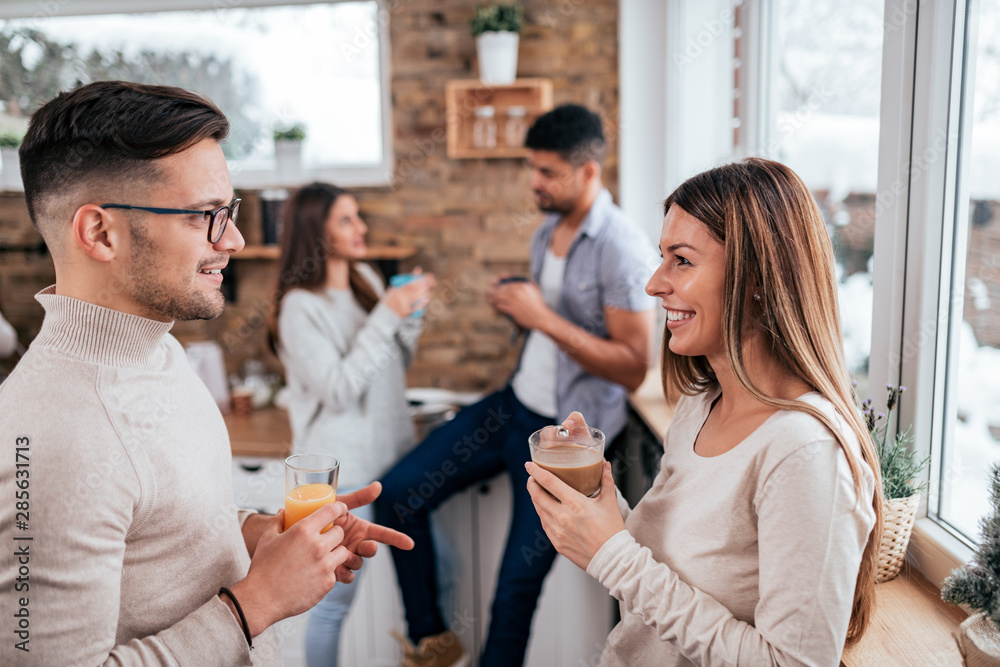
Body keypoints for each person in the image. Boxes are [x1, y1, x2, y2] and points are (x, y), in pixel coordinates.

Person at [0, 81, 412, 666]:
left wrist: (258, 535)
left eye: (231, 212)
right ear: (100, 232)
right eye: (205, 216)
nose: (236, 240)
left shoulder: (158, 350)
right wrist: (257, 601)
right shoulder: (54, 441)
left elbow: (160, 527)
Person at [525, 158, 884, 665]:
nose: (653, 284)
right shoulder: (701, 404)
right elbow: (670, 572)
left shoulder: (805, 454)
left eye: (682, 261)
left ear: (756, 277)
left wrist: (611, 555)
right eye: (661, 257)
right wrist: (599, 506)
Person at [376, 104, 657, 667]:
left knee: (512, 593)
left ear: (588, 172)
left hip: (566, 443)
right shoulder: (549, 229)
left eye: (547, 172)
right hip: (514, 408)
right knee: (398, 492)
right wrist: (517, 305)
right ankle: (432, 641)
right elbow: (548, 326)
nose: (534, 182)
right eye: (533, 168)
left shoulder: (620, 246)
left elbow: (632, 365)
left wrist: (541, 317)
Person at [271, 182, 436, 666]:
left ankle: (428, 650)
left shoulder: (364, 277)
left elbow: (393, 363)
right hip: (347, 474)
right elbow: (339, 389)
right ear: (314, 233)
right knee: (334, 601)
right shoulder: (300, 308)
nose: (361, 227)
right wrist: (387, 313)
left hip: (396, 461)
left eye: (357, 216)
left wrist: (410, 314)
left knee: (436, 570)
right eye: (346, 220)